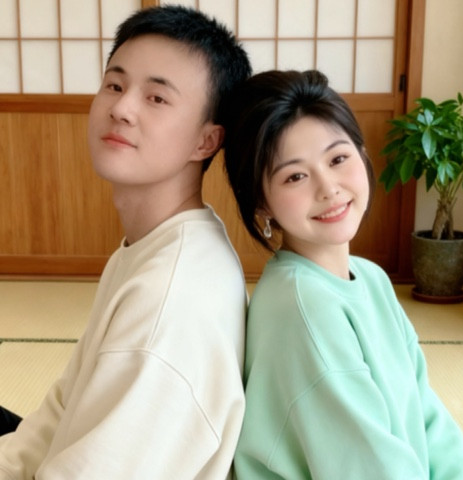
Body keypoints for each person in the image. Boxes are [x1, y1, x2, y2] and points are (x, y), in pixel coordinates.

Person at [0, 5, 251, 479]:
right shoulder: (155, 240)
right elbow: (63, 405)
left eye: (156, 98)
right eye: (115, 85)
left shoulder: (169, 302)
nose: (121, 108)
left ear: (205, 141)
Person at [222, 69, 463, 479]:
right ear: (261, 204)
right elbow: (372, 469)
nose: (328, 188)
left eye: (338, 159)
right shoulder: (304, 310)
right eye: (295, 176)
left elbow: (424, 409)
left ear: (362, 154)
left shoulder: (369, 276)